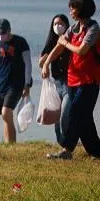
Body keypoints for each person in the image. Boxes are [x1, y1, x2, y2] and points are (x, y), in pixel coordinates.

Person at [43, 0, 100, 159]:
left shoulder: (93, 28)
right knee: (84, 118)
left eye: (73, 8)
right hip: (73, 79)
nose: (70, 12)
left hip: (90, 80)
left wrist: (66, 43)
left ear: (81, 9)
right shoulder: (73, 28)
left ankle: (66, 150)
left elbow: (82, 50)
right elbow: (58, 47)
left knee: (75, 112)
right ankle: (96, 151)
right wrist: (46, 63)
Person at [38, 13, 72, 148]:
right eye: (55, 24)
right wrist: (46, 60)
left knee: (65, 115)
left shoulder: (71, 40)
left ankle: (68, 146)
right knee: (57, 118)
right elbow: (41, 63)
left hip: (70, 83)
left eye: (60, 23)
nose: (58, 26)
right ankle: (63, 145)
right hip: (57, 83)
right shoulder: (51, 42)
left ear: (66, 25)